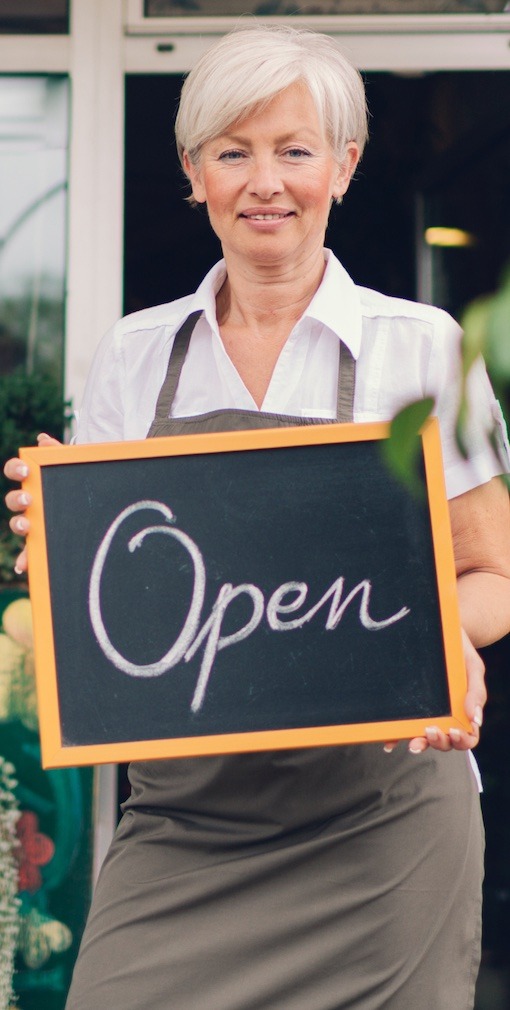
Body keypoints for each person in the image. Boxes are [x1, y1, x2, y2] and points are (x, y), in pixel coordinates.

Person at [5, 25, 510, 1010]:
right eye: (233, 152)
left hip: (381, 831)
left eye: (295, 150)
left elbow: (493, 572)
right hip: (187, 823)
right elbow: (117, 607)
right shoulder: (138, 354)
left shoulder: (421, 347)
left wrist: (439, 638)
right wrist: (55, 546)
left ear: (345, 165)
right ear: (195, 171)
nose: (265, 181)